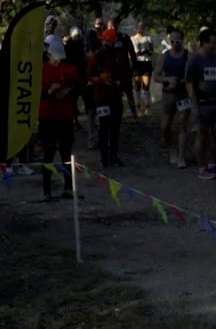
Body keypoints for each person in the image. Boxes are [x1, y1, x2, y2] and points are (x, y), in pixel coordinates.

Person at [38, 39, 81, 200]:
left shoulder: (69, 69)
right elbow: (38, 95)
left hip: (65, 116)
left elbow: (79, 85)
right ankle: (46, 190)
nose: (57, 61)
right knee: (48, 153)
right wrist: (50, 92)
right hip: (47, 117)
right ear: (48, 55)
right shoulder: (42, 70)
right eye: (54, 58)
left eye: (59, 58)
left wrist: (68, 90)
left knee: (66, 154)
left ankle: (68, 188)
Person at [187, 29, 216, 179]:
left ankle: (213, 164)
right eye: (212, 42)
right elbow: (190, 85)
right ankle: (202, 167)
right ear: (203, 43)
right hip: (202, 104)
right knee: (202, 135)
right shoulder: (194, 60)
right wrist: (195, 105)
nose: (215, 45)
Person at [88, 29, 129, 167]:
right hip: (101, 97)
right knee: (104, 126)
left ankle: (114, 155)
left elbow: (126, 76)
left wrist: (119, 83)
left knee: (115, 127)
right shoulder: (97, 56)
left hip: (116, 96)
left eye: (108, 40)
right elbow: (89, 75)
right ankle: (104, 157)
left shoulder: (120, 56)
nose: (106, 43)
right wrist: (101, 81)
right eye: (104, 40)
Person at [155, 28, 193, 168]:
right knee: (165, 126)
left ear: (182, 40)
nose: (175, 43)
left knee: (183, 124)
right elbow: (156, 76)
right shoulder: (164, 56)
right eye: (173, 41)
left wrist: (182, 81)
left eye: (178, 40)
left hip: (183, 94)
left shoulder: (188, 56)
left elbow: (193, 75)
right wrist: (168, 79)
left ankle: (181, 155)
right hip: (168, 94)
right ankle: (172, 148)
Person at [130, 24, 155, 117]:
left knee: (146, 85)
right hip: (137, 63)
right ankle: (138, 107)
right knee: (137, 86)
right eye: (139, 27)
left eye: (143, 27)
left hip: (146, 62)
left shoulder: (148, 38)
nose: (141, 29)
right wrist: (137, 53)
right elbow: (131, 52)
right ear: (136, 28)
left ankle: (147, 107)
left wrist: (148, 51)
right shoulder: (132, 39)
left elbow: (152, 51)